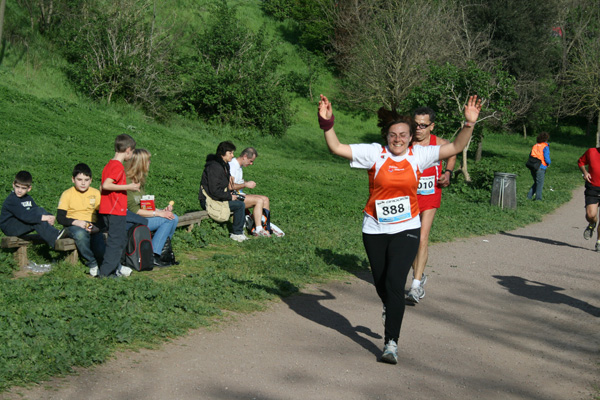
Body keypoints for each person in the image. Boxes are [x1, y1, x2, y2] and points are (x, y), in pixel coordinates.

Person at [317, 93, 481, 365]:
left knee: (395, 283)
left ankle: (391, 342)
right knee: (382, 284)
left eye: (403, 135)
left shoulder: (420, 155)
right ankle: (389, 305)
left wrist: (469, 123)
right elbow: (336, 147)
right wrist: (327, 123)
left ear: (410, 137)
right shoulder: (374, 153)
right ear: (387, 136)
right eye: (393, 135)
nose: (398, 139)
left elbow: (454, 147)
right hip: (374, 228)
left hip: (407, 227)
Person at [406, 107, 456, 304]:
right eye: (415, 124)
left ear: (431, 126)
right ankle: (420, 273)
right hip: (408, 196)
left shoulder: (439, 144)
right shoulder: (406, 142)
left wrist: (448, 173)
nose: (418, 128)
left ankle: (416, 286)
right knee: (408, 240)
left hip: (430, 194)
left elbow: (453, 152)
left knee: (422, 237)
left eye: (423, 125)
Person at [125, 148, 179, 266]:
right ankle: (154, 255)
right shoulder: (127, 181)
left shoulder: (140, 181)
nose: (149, 162)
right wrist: (158, 214)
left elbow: (143, 205)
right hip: (133, 221)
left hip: (141, 217)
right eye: (148, 160)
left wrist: (160, 210)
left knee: (174, 217)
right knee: (168, 219)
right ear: (141, 163)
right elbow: (134, 210)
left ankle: (164, 251)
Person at [98, 134, 140, 278]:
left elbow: (101, 187)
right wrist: (129, 186)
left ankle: (113, 269)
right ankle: (106, 273)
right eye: (133, 152)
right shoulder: (117, 166)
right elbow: (106, 185)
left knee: (119, 240)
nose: (132, 155)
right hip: (115, 210)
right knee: (116, 242)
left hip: (109, 209)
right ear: (128, 150)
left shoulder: (109, 165)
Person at [57, 163, 105, 276]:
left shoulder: (96, 193)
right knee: (80, 234)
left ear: (91, 180)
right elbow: (60, 218)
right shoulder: (67, 194)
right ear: (73, 179)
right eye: (79, 179)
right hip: (74, 224)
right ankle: (91, 263)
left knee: (100, 246)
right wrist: (76, 222)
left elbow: (102, 216)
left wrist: (97, 228)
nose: (83, 183)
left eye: (86, 180)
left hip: (91, 225)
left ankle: (111, 265)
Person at [0, 170, 67, 248]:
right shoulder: (12, 200)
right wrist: (43, 217)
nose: (19, 190)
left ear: (29, 188)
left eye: (23, 188)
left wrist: (49, 216)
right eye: (17, 187)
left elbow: (36, 210)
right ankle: (55, 239)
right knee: (37, 220)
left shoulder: (28, 198)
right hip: (10, 227)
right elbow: (25, 216)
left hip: (20, 223)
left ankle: (56, 235)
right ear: (13, 185)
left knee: (40, 211)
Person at [198, 141, 247, 242]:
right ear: (222, 153)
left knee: (240, 202)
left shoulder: (224, 165)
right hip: (208, 200)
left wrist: (231, 194)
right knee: (240, 205)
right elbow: (214, 191)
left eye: (233, 153)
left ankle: (239, 232)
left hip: (217, 197)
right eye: (230, 153)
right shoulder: (214, 167)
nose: (232, 155)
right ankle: (236, 233)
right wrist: (229, 197)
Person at [229, 147, 273, 237]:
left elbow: (238, 182)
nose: (251, 163)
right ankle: (258, 229)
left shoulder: (239, 167)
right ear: (245, 156)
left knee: (265, 199)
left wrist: (245, 182)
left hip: (239, 194)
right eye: (251, 161)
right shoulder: (232, 166)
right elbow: (230, 186)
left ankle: (265, 226)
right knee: (258, 201)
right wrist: (246, 185)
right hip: (233, 196)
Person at [578, 147, 600, 251]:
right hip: (593, 187)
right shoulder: (592, 151)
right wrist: (585, 173)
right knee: (591, 215)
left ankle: (599, 241)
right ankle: (592, 223)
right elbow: (581, 162)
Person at [527, 132, 551, 201]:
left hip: (532, 165)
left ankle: (529, 197)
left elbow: (531, 155)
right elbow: (546, 157)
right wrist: (548, 163)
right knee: (540, 183)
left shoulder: (535, 145)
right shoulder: (545, 146)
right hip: (541, 166)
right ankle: (538, 199)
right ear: (546, 139)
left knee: (536, 182)